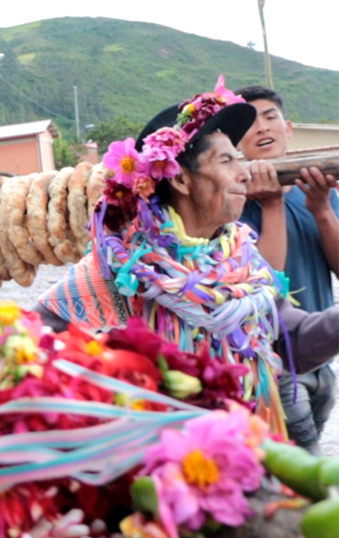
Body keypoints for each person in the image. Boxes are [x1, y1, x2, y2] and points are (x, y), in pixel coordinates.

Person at [35, 77, 339, 438]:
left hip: (235, 449)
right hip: (156, 462)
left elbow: (294, 340)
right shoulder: (123, 271)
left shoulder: (244, 263)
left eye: (238, 159)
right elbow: (38, 343)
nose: (243, 172)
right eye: (227, 160)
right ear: (179, 179)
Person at [236, 85, 339, 453]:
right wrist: (272, 204)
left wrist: (322, 209)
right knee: (306, 484)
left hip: (323, 358)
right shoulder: (235, 203)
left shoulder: (318, 191)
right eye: (249, 122)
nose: (262, 128)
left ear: (288, 127)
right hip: (275, 367)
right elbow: (264, 286)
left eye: (270, 117)